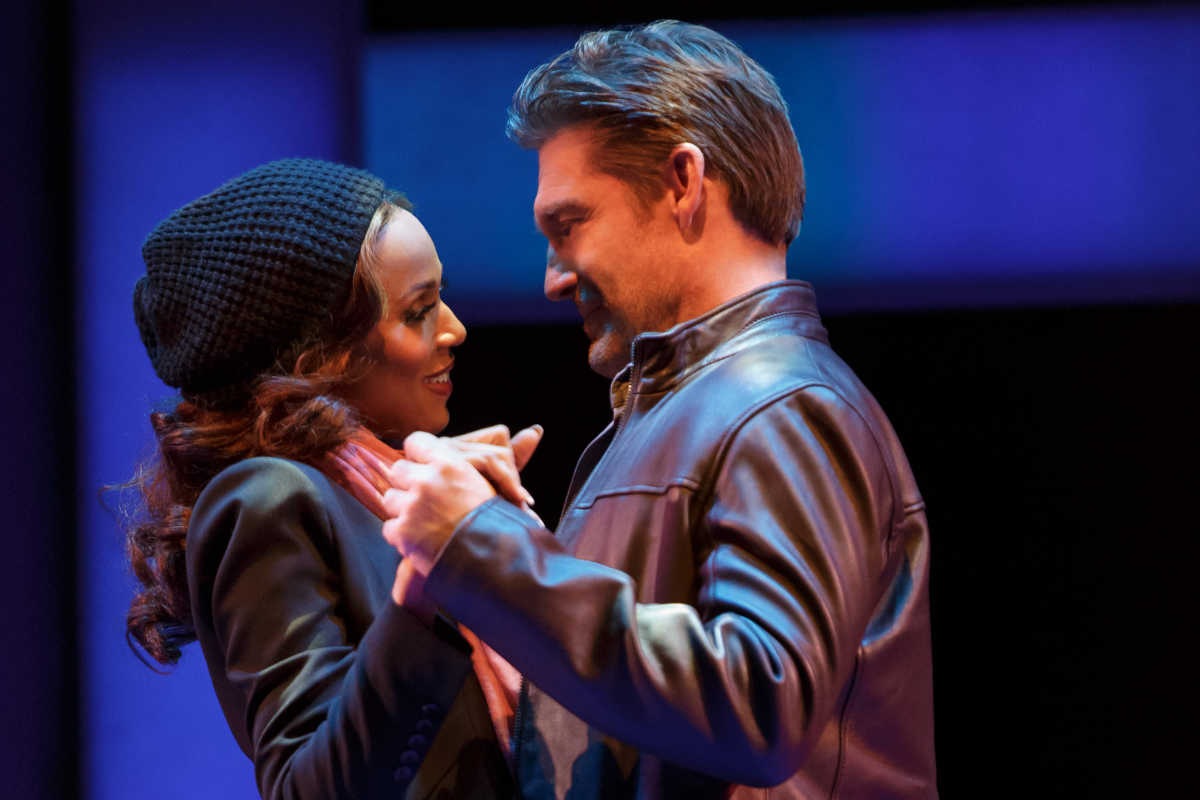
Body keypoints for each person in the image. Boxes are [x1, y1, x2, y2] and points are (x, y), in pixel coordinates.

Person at [378, 21, 938, 798]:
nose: (553, 279)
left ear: (683, 182)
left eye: (568, 225)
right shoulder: (692, 411)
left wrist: (483, 547)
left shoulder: (783, 406)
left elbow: (761, 703)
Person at [124, 158, 538, 799]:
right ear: (322, 355)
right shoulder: (266, 498)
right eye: (419, 310)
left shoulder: (389, 487)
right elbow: (307, 788)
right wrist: (430, 576)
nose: (455, 328)